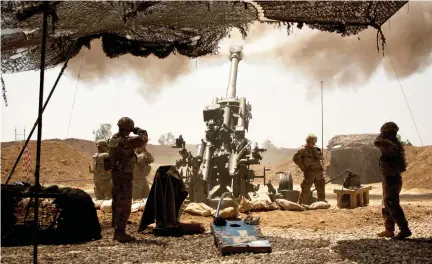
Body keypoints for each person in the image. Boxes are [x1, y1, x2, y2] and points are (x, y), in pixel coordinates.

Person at [106, 117, 148, 242]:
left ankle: (116, 224)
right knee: (125, 202)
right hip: (124, 174)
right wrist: (139, 130)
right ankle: (120, 232)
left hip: (115, 174)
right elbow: (143, 139)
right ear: (128, 129)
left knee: (117, 199)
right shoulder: (127, 141)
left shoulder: (114, 138)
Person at [374, 121, 411, 239]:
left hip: (392, 178)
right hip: (390, 177)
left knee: (392, 204)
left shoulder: (390, 143)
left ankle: (404, 229)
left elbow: (377, 142)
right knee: (387, 204)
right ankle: (389, 230)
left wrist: (382, 135)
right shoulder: (394, 142)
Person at [293, 134, 325, 205]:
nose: (313, 144)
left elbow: (322, 157)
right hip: (309, 173)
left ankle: (322, 204)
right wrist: (303, 168)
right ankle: (301, 204)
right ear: (308, 141)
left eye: (314, 142)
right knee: (305, 190)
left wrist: (317, 154)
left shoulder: (316, 149)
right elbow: (295, 158)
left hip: (318, 173)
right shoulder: (302, 150)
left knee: (321, 189)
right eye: (312, 142)